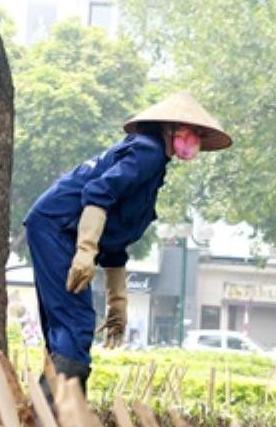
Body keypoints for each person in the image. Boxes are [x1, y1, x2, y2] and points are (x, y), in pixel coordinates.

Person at [24, 91, 232, 397]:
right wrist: (85, 250)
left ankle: (49, 420)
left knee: (66, 327)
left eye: (198, 134)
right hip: (56, 228)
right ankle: (58, 419)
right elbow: (97, 192)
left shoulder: (153, 164)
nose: (195, 139)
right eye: (190, 131)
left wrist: (117, 303)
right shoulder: (147, 152)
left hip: (58, 229)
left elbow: (116, 238)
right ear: (169, 129)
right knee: (75, 322)